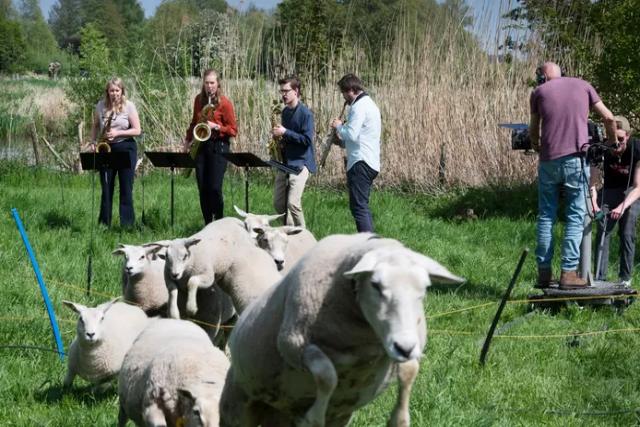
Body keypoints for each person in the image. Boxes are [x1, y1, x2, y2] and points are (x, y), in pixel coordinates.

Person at [530, 62, 616, 289]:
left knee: (546, 216)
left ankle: (544, 273)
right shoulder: (584, 86)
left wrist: (537, 146)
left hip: (548, 162)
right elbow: (608, 118)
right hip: (576, 160)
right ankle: (568, 274)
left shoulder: (538, 93)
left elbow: (533, 131)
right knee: (575, 216)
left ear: (543, 78)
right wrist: (612, 141)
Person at [590, 116, 640, 287]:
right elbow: (593, 183)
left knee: (627, 232)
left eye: (621, 139)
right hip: (609, 190)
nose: (616, 144)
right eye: (613, 139)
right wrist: (594, 203)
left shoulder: (637, 148)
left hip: (631, 192)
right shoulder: (601, 149)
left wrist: (622, 206)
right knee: (603, 230)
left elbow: (638, 186)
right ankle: (599, 278)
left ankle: (625, 278)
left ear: (628, 136)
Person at [185, 69, 238, 225]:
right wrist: (188, 140)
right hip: (201, 146)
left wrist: (216, 127)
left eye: (212, 83)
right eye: (207, 83)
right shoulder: (198, 100)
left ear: (218, 83)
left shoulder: (225, 103)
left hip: (219, 147)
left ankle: (219, 222)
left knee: (215, 188)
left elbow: (233, 130)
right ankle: (208, 223)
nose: (209, 86)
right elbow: (194, 123)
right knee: (203, 188)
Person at [331, 73, 381, 233]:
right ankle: (368, 242)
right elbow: (358, 137)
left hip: (361, 162)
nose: (344, 98)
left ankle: (368, 245)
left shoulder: (358, 107)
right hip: (368, 160)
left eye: (344, 93)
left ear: (351, 90)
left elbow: (351, 134)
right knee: (359, 206)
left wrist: (339, 126)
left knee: (359, 207)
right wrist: (340, 141)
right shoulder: (369, 104)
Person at [90, 77, 141, 227]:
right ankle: (104, 224)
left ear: (122, 91)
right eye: (111, 90)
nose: (114, 94)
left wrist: (118, 133)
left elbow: (137, 130)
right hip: (106, 148)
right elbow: (94, 126)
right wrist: (93, 142)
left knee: (126, 188)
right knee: (106, 188)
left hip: (125, 147)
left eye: (117, 90)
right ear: (107, 92)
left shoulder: (129, 106)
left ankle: (127, 225)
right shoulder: (100, 106)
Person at [271, 75, 316, 227]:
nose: (283, 94)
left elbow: (307, 140)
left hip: (301, 163)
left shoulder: (306, 114)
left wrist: (285, 133)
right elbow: (288, 137)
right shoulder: (285, 113)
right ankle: (290, 233)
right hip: (285, 162)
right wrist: (279, 139)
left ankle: (304, 236)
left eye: (286, 91)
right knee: (278, 204)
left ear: (296, 91)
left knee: (293, 204)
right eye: (281, 91)